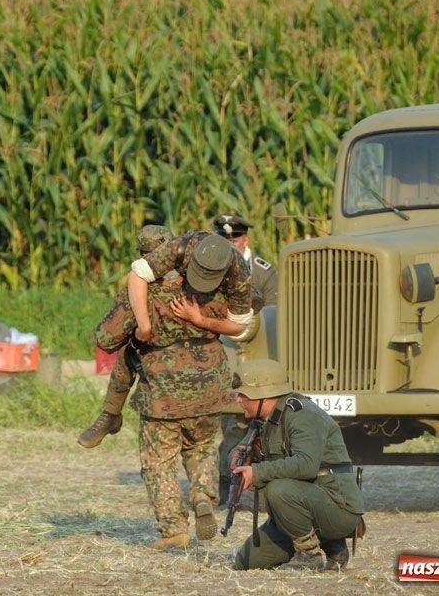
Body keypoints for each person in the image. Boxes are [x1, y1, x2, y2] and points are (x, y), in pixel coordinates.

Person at [97, 236, 237, 549]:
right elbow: (239, 318)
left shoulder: (139, 293)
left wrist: (138, 325)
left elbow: (105, 338)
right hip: (210, 386)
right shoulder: (207, 284)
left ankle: (174, 530)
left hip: (163, 393)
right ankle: (202, 495)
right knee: (202, 447)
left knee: (158, 462)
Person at [229, 358, 365, 571]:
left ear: (263, 395)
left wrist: (257, 472)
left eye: (243, 395)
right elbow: (246, 449)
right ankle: (328, 544)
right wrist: (240, 454)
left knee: (278, 489)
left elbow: (307, 465)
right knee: (246, 561)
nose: (238, 400)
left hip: (337, 506)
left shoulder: (302, 414)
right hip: (298, 510)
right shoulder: (264, 421)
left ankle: (311, 554)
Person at [77, 224, 174, 448]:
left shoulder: (145, 286)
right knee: (128, 349)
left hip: (172, 362)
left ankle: (111, 412)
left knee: (127, 350)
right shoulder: (192, 279)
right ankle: (110, 414)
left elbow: (105, 338)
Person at [212, 212, 280, 504]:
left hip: (259, 354)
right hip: (224, 352)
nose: (230, 243)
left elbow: (276, 315)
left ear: (245, 239)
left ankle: (264, 493)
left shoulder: (262, 272)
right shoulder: (209, 267)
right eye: (223, 238)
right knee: (231, 425)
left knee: (263, 425)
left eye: (235, 237)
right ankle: (228, 489)